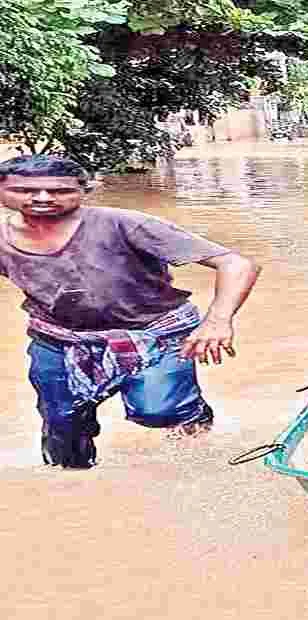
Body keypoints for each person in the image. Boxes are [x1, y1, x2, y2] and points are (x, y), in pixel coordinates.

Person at [0, 155, 260, 468]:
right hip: (59, 337)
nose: (42, 198)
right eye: (25, 189)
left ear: (83, 191)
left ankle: (196, 429)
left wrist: (218, 320)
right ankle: (74, 490)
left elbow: (237, 264)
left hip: (155, 331)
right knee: (63, 430)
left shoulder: (123, 223)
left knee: (160, 411)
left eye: (59, 190)